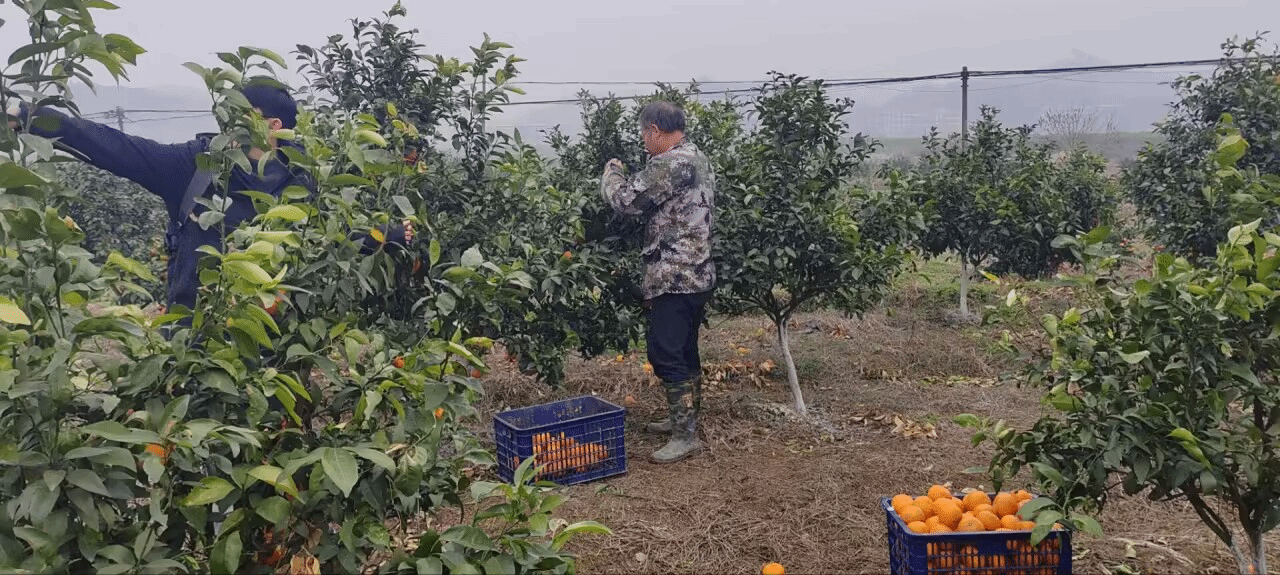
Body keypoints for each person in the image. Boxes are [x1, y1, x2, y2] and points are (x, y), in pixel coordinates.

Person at [6, 83, 412, 331]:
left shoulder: (304, 182)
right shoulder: (196, 166)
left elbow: (329, 243)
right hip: (191, 337)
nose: (228, 120)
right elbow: (119, 148)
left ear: (274, 126)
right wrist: (32, 117)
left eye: (243, 113)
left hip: (268, 342)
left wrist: (385, 238)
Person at [600, 100, 717, 464]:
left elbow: (626, 201)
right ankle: (683, 421)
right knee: (685, 349)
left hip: (675, 276)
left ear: (654, 129)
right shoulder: (697, 157)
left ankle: (685, 436)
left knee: (665, 351)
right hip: (698, 273)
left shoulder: (670, 164)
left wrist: (611, 173)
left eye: (643, 133)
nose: (643, 140)